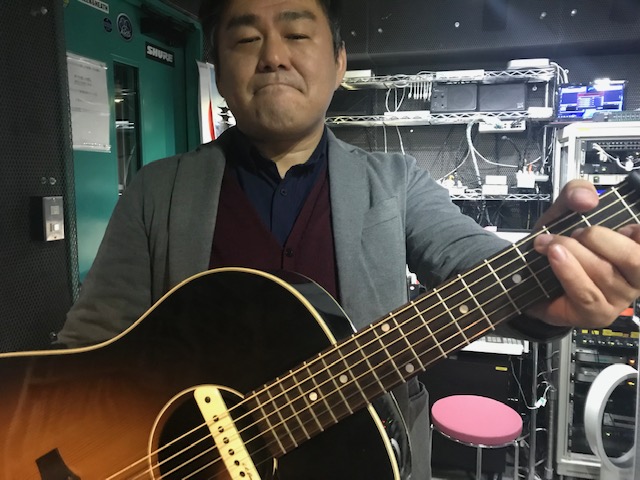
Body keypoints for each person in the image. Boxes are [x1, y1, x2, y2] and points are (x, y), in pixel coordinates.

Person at [56, 0, 640, 478]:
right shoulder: (157, 190)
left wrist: (545, 276)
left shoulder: (397, 182)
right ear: (217, 69)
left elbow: (469, 256)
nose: (274, 56)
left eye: (297, 34)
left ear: (339, 62)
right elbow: (84, 354)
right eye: (246, 38)